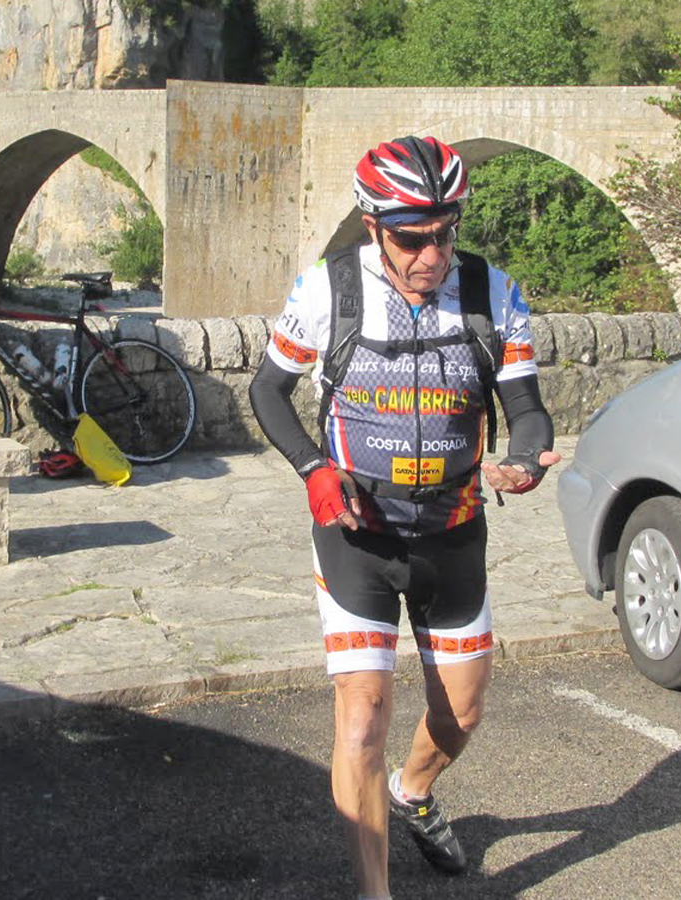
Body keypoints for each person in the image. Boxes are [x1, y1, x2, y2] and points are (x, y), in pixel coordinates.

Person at [248, 135, 562, 899]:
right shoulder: (327, 291)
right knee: (361, 719)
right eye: (411, 239)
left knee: (462, 714)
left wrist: (524, 459)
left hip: (452, 531)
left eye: (445, 235)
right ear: (372, 226)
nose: (431, 256)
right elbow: (267, 391)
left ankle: (411, 790)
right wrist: (313, 469)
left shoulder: (492, 292)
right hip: (356, 532)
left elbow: (527, 408)